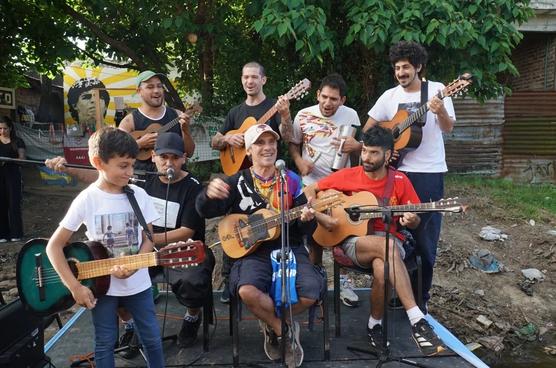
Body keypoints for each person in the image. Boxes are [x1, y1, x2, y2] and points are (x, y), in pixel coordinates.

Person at [45, 132, 215, 353]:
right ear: (153, 157)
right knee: (113, 284)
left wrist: (149, 243)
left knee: (193, 280)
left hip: (176, 250)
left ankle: (192, 317)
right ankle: (129, 324)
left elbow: (187, 231)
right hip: (139, 251)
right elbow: (103, 176)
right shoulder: (142, 181)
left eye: (175, 157)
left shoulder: (193, 186)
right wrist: (67, 168)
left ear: (184, 158)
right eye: (163, 157)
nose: (169, 163)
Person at [304, 126, 447, 356]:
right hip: (354, 241)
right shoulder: (348, 175)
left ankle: (374, 325)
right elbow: (310, 189)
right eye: (365, 151)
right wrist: (321, 211)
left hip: (392, 239)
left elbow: (416, 222)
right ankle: (417, 319)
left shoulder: (400, 180)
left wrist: (411, 220)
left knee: (383, 268)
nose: (366, 158)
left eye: (374, 153)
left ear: (388, 155)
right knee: (386, 248)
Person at [197, 123, 324, 367]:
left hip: (290, 248)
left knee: (311, 291)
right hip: (253, 253)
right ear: (247, 150)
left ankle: (269, 321)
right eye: (259, 143)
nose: (267, 148)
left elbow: (302, 230)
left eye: (271, 142)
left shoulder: (292, 181)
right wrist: (207, 195)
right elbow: (206, 210)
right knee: (247, 290)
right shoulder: (236, 182)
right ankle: (284, 330)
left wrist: (307, 219)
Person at [45, 127, 164, 368]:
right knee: (105, 342)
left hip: (138, 285)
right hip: (102, 287)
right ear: (98, 162)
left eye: (132, 165)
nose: (130, 172)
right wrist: (75, 287)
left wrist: (137, 262)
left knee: (152, 339)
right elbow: (53, 247)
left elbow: (149, 236)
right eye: (123, 166)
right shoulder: (87, 199)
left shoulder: (139, 194)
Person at [363, 41, 456, 310]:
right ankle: (396, 295)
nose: (401, 72)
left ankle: (421, 300)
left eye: (406, 67)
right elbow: (369, 130)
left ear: (418, 66)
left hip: (428, 173)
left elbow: (448, 128)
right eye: (397, 68)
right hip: (395, 173)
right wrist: (387, 147)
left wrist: (440, 113)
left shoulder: (437, 90)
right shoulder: (389, 97)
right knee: (395, 236)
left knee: (426, 241)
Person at [210, 61, 293, 303]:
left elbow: (287, 137)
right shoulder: (235, 112)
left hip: (269, 177)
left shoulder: (274, 107)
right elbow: (215, 141)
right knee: (232, 222)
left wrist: (286, 115)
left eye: (255, 77)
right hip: (240, 178)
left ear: (264, 80)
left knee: (272, 224)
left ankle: (271, 275)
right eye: (246, 77)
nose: (250, 81)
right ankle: (229, 279)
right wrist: (228, 137)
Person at [288, 73, 361, 307]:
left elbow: (359, 155)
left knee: (343, 231)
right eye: (325, 97)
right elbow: (294, 144)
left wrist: (357, 146)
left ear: (343, 100)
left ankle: (344, 282)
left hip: (341, 183)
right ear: (317, 94)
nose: (328, 103)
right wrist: (299, 162)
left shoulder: (351, 116)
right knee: (315, 236)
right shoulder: (303, 115)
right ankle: (316, 281)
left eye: (334, 99)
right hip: (311, 183)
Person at [119, 70, 195, 173]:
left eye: (159, 86)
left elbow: (189, 153)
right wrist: (139, 144)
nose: (156, 90)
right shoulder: (129, 122)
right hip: (143, 180)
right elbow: (118, 153)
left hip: (174, 178)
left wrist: (186, 132)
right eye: (150, 87)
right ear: (139, 91)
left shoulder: (177, 115)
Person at [0, 116, 26, 243]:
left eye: (5, 128)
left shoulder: (18, 141)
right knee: (1, 204)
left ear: (10, 128)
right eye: (0, 128)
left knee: (14, 204)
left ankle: (16, 233)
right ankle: (2, 234)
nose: (2, 131)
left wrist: (10, 160)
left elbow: (22, 160)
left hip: (13, 175)